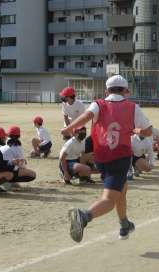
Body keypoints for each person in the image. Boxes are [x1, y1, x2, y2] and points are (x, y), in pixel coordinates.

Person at [65, 74, 152, 242]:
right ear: (126, 91)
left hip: (101, 157)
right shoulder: (133, 107)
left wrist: (69, 128)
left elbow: (86, 117)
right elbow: (148, 131)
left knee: (122, 190)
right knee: (109, 200)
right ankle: (84, 216)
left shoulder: (98, 104)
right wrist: (137, 130)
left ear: (107, 91)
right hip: (120, 157)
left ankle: (124, 224)